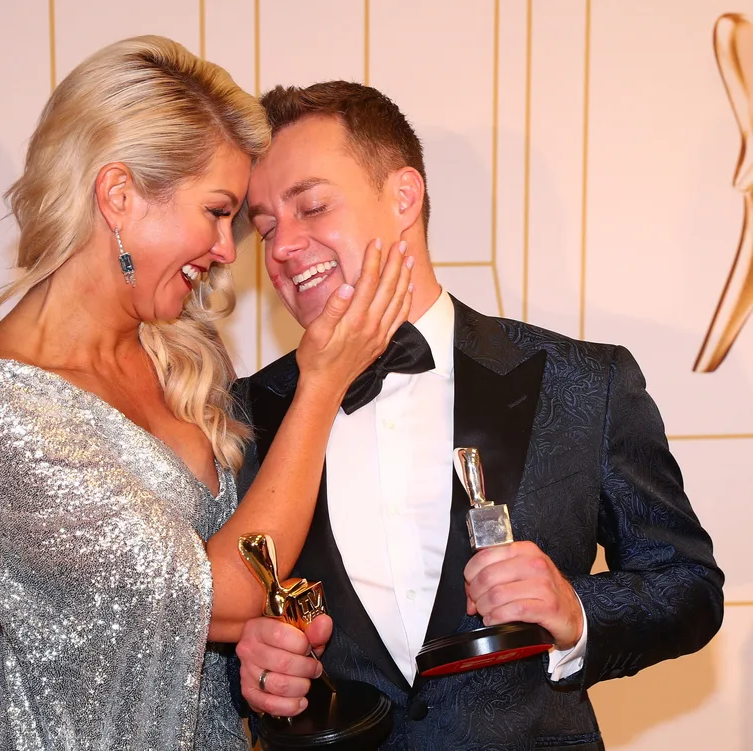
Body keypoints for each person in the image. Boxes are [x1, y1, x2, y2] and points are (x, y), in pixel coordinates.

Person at [0, 40, 413, 751]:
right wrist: (322, 381)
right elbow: (225, 591)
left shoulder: (177, 351)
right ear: (119, 196)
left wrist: (258, 655)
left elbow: (202, 624)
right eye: (218, 211)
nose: (229, 248)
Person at [232, 80, 724, 750]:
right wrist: (252, 669)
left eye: (311, 206)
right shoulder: (241, 413)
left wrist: (576, 610)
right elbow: (217, 630)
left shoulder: (583, 382)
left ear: (404, 197)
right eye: (265, 227)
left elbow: (689, 586)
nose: (284, 247)